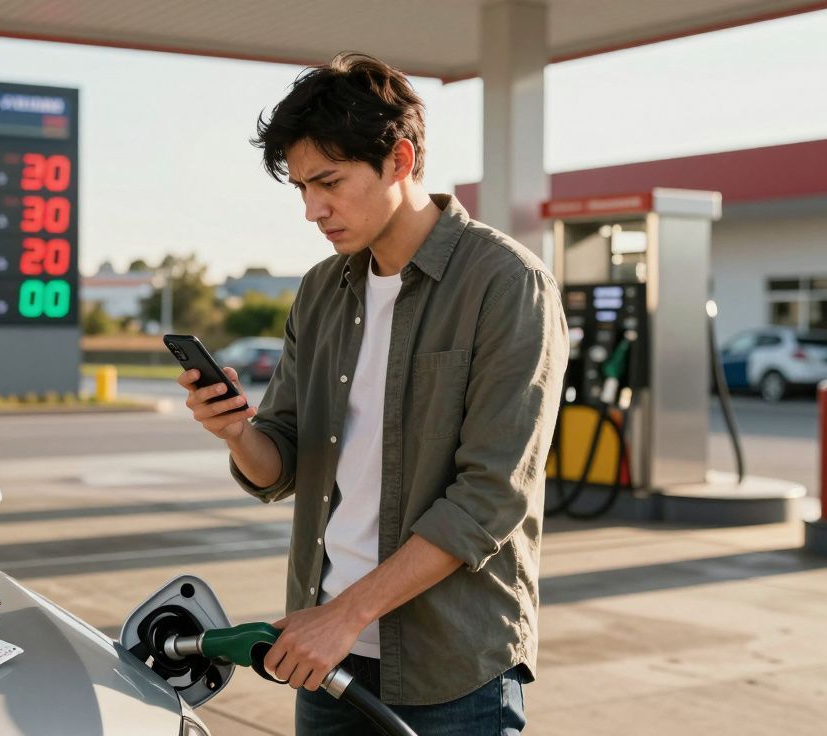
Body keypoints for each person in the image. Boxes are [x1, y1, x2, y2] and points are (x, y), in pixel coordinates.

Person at [177, 52, 567, 735]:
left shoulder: (507, 284)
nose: (312, 210)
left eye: (328, 182)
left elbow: (490, 496)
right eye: (302, 187)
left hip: (453, 666)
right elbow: (281, 466)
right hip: (324, 653)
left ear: (400, 160)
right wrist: (237, 433)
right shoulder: (321, 291)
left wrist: (345, 615)